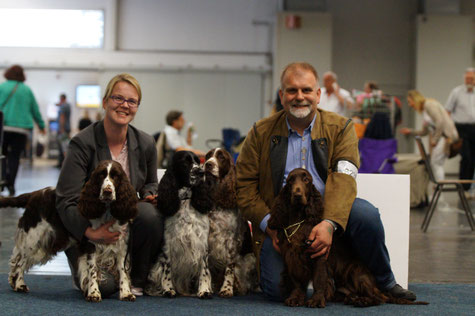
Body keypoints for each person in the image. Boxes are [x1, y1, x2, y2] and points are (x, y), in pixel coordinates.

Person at [236, 62, 416, 302]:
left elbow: (344, 179)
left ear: (318, 95)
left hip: (328, 211)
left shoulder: (342, 128)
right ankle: (326, 283)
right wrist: (270, 224)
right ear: (282, 95)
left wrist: (329, 223)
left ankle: (385, 281)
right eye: (291, 90)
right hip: (285, 222)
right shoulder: (260, 132)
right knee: (277, 291)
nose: (299, 97)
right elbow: (244, 186)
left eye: (306, 90)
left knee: (366, 215)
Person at [56, 73, 163, 297]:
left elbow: (151, 182)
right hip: (87, 225)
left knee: (148, 213)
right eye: (118, 98)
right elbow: (66, 199)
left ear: (136, 107)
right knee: (104, 287)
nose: (124, 105)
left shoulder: (145, 143)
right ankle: (80, 265)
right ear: (105, 102)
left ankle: (136, 280)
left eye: (131, 101)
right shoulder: (82, 143)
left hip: (119, 226)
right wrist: (89, 232)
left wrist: (150, 194)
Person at [0, 65, 46, 196]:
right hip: (22, 129)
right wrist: (41, 125)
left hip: (4, 127)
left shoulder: (2, 87)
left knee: (2, 156)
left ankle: (2, 179)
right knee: (15, 157)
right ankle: (11, 185)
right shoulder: (27, 90)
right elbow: (35, 110)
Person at [400, 90, 458, 182]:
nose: (409, 104)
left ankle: (439, 187)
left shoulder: (429, 104)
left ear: (415, 99)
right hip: (440, 138)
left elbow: (440, 121)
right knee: (435, 163)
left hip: (446, 137)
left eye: (409, 101)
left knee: (436, 163)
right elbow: (424, 132)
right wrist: (410, 131)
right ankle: (438, 187)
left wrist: (435, 139)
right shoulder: (424, 111)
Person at [445, 68, 475, 198]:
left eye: (472, 79)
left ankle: (471, 189)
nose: (469, 81)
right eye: (467, 78)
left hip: (474, 128)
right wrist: (450, 130)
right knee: (466, 157)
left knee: (473, 159)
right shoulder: (456, 92)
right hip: (461, 129)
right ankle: (463, 187)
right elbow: (448, 111)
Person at [55, 93, 71, 168]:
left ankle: (63, 164)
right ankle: (62, 163)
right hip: (66, 129)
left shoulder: (63, 106)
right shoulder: (67, 105)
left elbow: (62, 117)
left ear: (62, 99)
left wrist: (61, 129)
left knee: (63, 147)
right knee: (65, 146)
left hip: (62, 130)